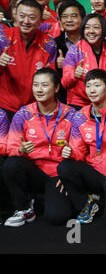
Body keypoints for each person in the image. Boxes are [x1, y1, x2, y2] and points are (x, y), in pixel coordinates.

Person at [57, 69, 106, 227]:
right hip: (93, 171)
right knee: (65, 167)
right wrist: (70, 152)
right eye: (88, 85)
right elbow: (79, 150)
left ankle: (102, 199)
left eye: (97, 85)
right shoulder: (79, 116)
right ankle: (88, 202)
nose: (92, 90)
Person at [2, 68, 75, 227]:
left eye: (44, 85)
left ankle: (41, 200)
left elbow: (80, 148)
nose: (39, 89)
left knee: (58, 217)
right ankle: (25, 208)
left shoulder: (71, 114)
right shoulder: (23, 114)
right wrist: (20, 150)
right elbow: (11, 147)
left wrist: (68, 171)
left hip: (57, 174)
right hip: (33, 170)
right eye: (35, 85)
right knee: (11, 164)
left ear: (56, 88)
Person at [0, 0, 56, 121]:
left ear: (41, 20)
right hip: (4, 107)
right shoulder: (3, 38)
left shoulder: (49, 43)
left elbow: (50, 78)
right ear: (15, 16)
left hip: (34, 108)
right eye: (22, 16)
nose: (26, 21)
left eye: (32, 17)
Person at [62, 13, 106, 111]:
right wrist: (74, 75)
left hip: (104, 103)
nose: (91, 31)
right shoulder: (74, 51)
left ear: (103, 30)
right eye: (87, 28)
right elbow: (65, 83)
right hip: (79, 104)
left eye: (96, 27)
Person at [54, 0, 86, 104]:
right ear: (60, 20)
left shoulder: (92, 41)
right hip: (62, 101)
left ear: (83, 19)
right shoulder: (54, 44)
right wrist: (55, 65)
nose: (69, 20)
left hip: (89, 100)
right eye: (64, 16)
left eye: (73, 16)